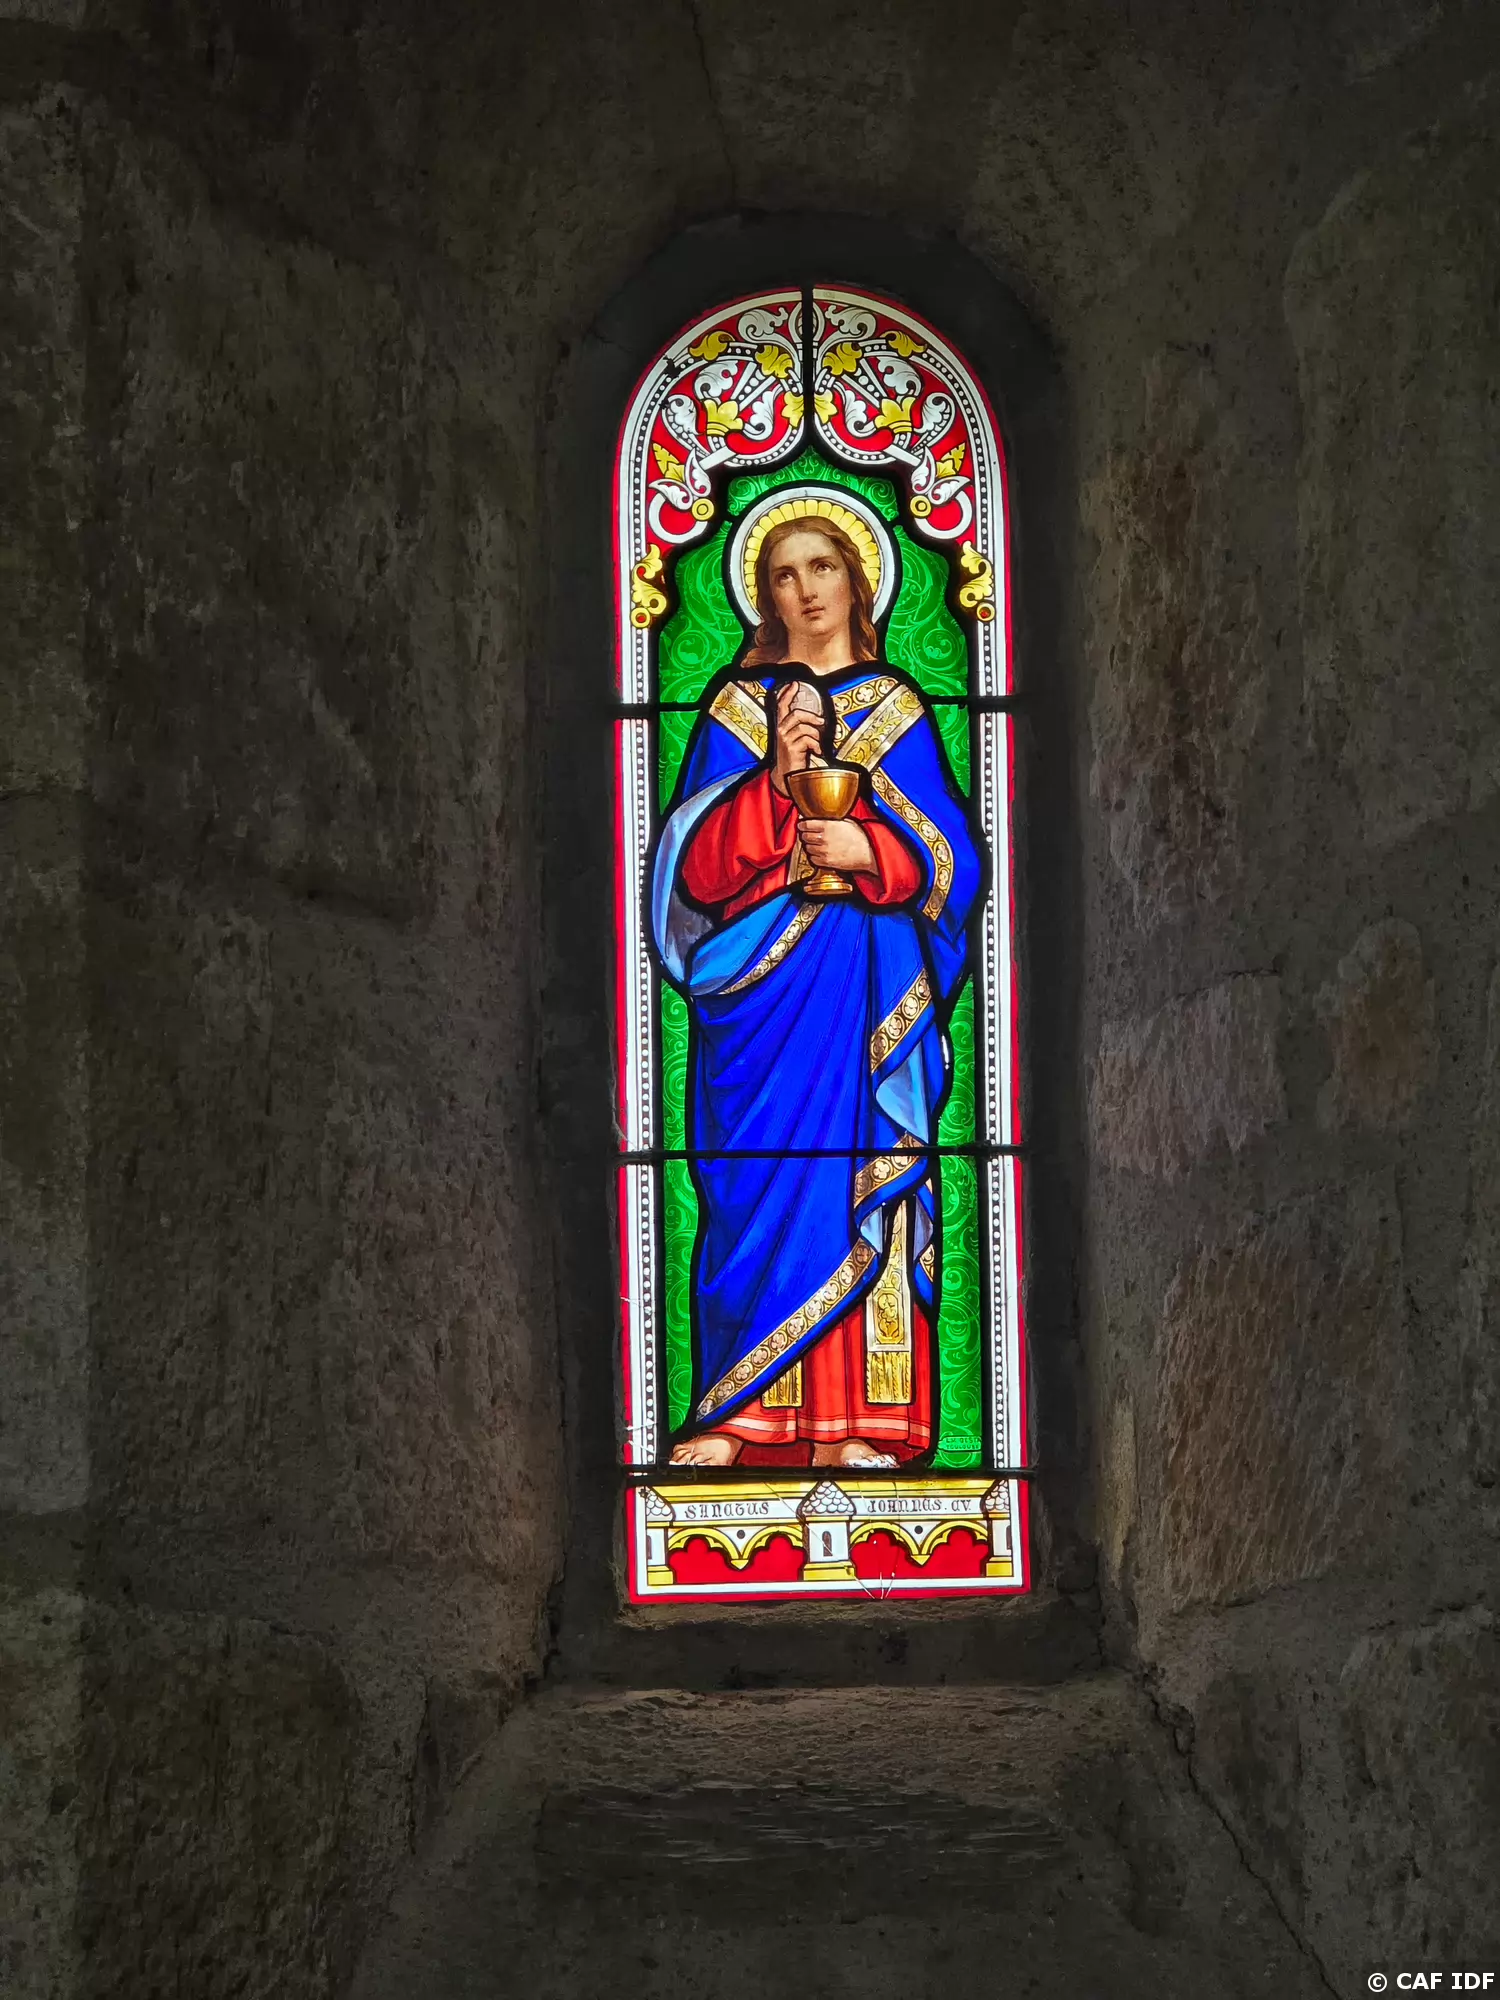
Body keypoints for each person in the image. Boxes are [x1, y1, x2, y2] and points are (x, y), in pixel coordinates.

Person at [651, 502, 982, 1468]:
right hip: (755, 1004)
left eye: (823, 567)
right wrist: (775, 779)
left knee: (859, 1176)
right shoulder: (734, 711)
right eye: (784, 575)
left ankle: (858, 1428)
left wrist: (870, 851)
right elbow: (693, 874)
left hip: (866, 986)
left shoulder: (897, 710)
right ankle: (736, 1415)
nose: (806, 590)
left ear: (857, 581)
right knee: (756, 1190)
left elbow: (956, 864)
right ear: (764, 598)